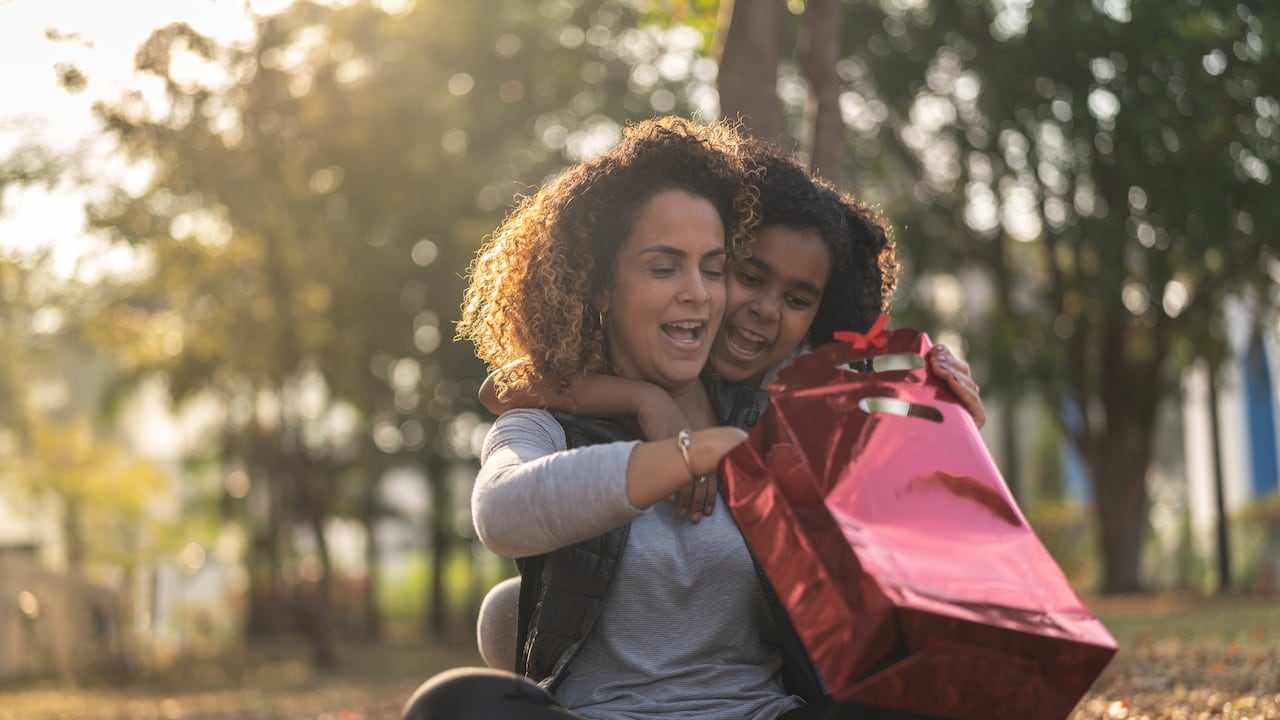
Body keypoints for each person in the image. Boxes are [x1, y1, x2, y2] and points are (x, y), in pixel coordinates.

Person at [470, 138, 986, 675]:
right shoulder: (561, 409)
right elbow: (502, 396)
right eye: (748, 276)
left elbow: (894, 491)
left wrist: (947, 426)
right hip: (609, 700)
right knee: (475, 667)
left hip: (764, 707)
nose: (760, 309)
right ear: (601, 284)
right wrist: (654, 413)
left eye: (711, 269)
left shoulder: (781, 399)